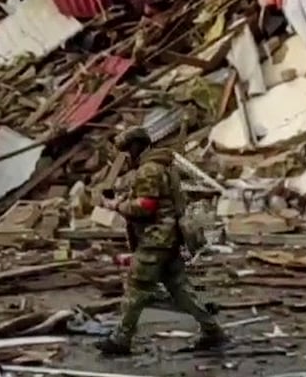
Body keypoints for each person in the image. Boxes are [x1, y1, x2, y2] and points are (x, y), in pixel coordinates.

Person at [96, 127, 225, 356]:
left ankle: (121, 339)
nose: (125, 157)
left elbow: (146, 206)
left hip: (154, 239)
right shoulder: (165, 166)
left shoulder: (149, 170)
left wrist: (117, 206)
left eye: (127, 151)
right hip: (169, 238)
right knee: (180, 289)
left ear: (136, 148)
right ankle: (212, 330)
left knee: (136, 288)